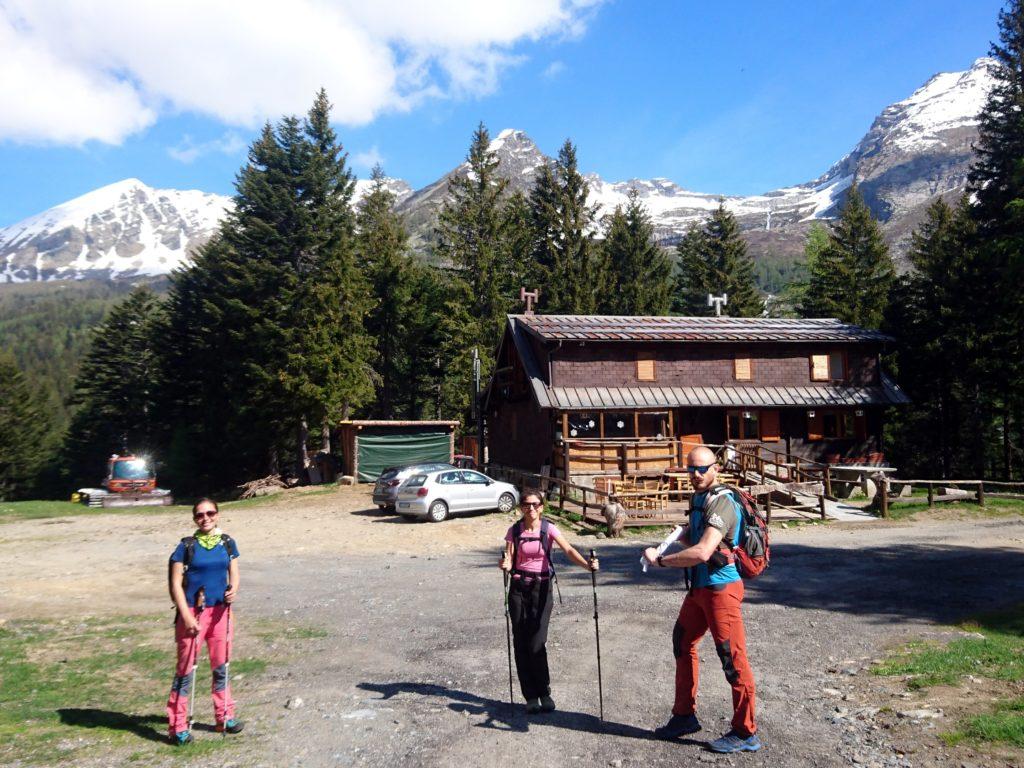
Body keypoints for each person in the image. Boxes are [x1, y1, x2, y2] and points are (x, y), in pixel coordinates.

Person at [643, 446, 760, 754]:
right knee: (682, 642)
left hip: (722, 591)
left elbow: (703, 552)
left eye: (701, 469)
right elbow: (697, 540)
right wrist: (680, 535)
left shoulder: (722, 502)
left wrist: (661, 561)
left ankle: (746, 732)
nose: (695, 475)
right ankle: (684, 716)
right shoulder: (699, 498)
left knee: (732, 661)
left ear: (715, 468)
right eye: (690, 469)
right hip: (699, 589)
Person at [500, 489, 599, 714]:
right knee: (520, 641)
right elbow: (508, 558)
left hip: (542, 587)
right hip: (518, 587)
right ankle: (531, 696)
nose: (531, 508)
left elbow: (569, 550)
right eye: (526, 504)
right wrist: (505, 565)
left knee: (536, 641)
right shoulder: (514, 531)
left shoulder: (549, 529)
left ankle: (544, 691)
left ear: (542, 507)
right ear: (521, 508)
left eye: (535, 504)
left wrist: (587, 566)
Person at [166, 498, 243, 745]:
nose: (206, 518)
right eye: (200, 515)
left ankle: (225, 715)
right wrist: (186, 616)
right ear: (194, 519)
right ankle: (178, 726)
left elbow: (234, 572)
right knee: (186, 670)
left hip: (221, 612)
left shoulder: (227, 543)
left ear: (218, 515)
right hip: (193, 613)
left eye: (210, 513)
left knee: (221, 666)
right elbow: (175, 584)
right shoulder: (186, 547)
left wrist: (235, 590)